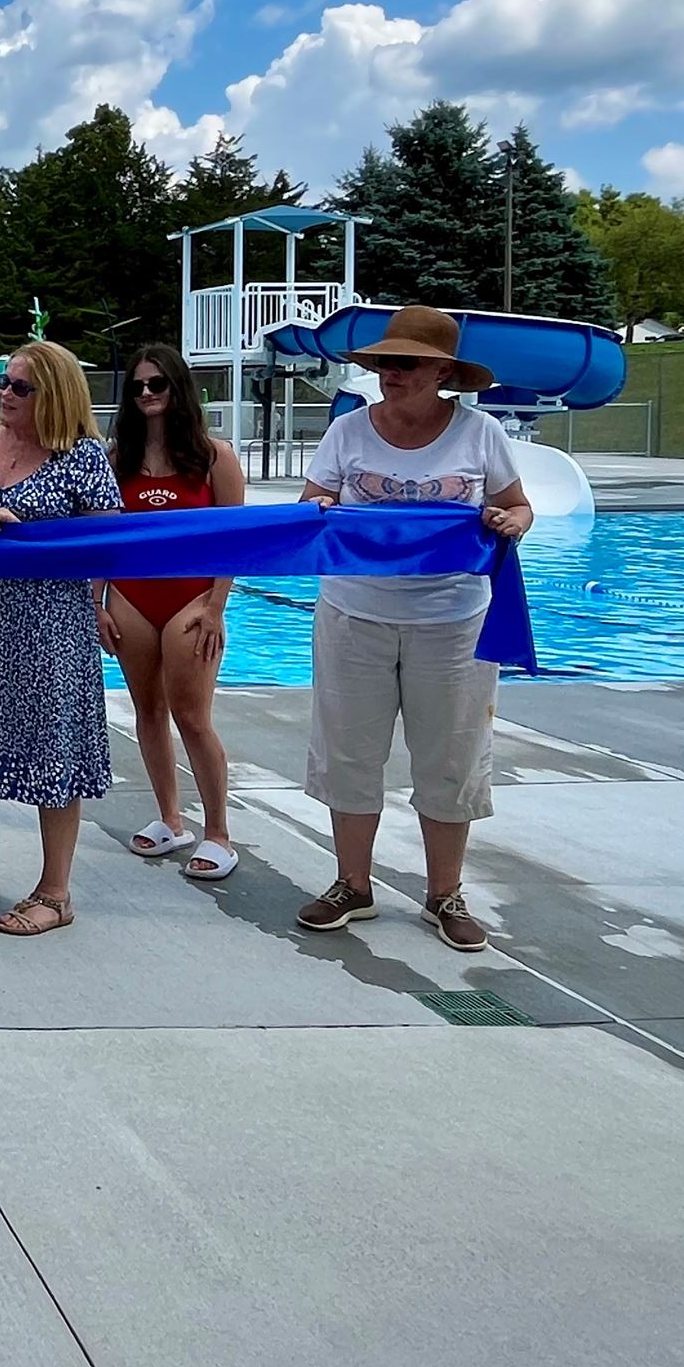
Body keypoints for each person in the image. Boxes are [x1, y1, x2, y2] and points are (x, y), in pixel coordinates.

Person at [294, 306, 532, 951]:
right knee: (348, 750)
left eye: (406, 364)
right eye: (383, 363)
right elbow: (313, 503)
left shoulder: (480, 433)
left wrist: (511, 523)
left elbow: (518, 506)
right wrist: (317, 506)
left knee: (451, 757)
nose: (390, 373)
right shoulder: (346, 431)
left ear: (442, 373)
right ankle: (352, 883)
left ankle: (444, 893)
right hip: (353, 615)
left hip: (454, 622)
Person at [0, 341, 122, 937]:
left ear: (53, 397)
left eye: (20, 387)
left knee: (51, 753)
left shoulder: (80, 456)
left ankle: (55, 892)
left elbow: (107, 537)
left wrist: (34, 529)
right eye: (3, 383)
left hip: (51, 627)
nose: (4, 394)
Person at [101, 344, 248, 882]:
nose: (146, 395)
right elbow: (104, 539)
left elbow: (234, 540)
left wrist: (216, 607)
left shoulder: (213, 456)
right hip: (133, 596)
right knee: (146, 710)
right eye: (137, 387)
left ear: (176, 388)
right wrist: (97, 602)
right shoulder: (119, 458)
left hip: (191, 599)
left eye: (156, 385)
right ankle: (170, 817)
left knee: (192, 715)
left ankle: (219, 833)